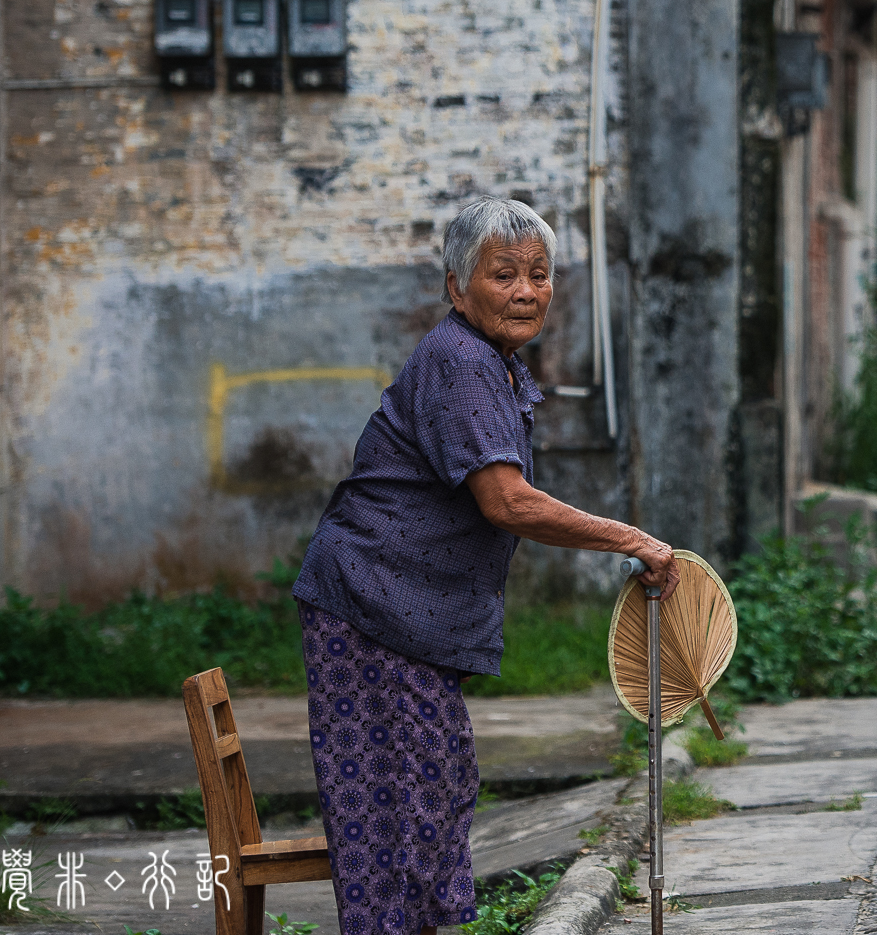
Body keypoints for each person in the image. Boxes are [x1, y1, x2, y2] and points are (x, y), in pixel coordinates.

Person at [291, 196, 680, 935]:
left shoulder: (489, 361)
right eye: (504, 274)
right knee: (400, 809)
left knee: (431, 791)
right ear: (456, 286)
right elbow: (506, 501)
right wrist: (633, 538)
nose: (527, 291)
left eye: (539, 274)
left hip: (403, 613)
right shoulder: (465, 364)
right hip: (375, 608)